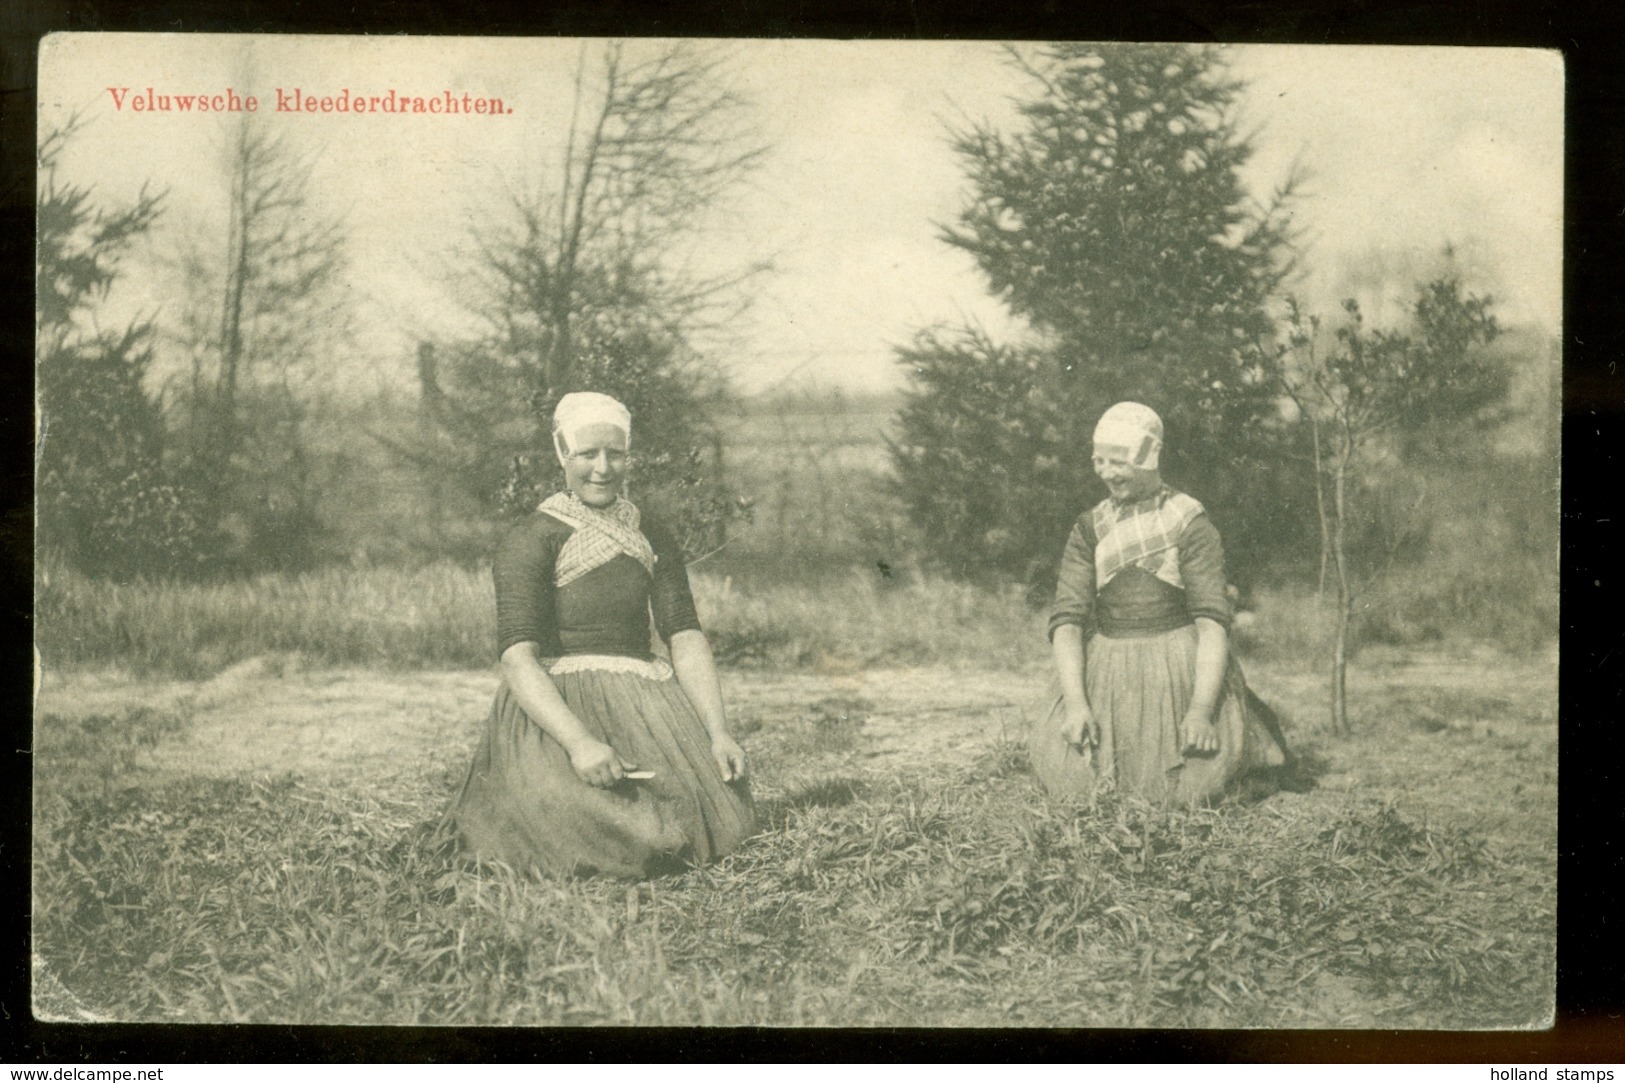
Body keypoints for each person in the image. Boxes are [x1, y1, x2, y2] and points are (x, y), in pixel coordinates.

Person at [441, 392, 757, 878]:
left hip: (646, 699)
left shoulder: (651, 532)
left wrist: (717, 732)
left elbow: (685, 637)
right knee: (592, 826)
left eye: (617, 454)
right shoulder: (532, 538)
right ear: (562, 454)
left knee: (715, 813)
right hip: (557, 709)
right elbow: (517, 659)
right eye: (587, 454)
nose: (603, 468)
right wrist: (580, 743)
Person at [1029, 402, 1288, 806]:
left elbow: (1212, 624)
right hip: (1106, 670)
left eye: (1121, 462)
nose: (1108, 473)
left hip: (1178, 670)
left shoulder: (1188, 521)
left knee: (1196, 783)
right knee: (1072, 781)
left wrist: (1201, 710)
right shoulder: (1089, 527)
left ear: (1149, 457)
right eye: (1100, 461)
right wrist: (1077, 705)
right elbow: (1067, 623)